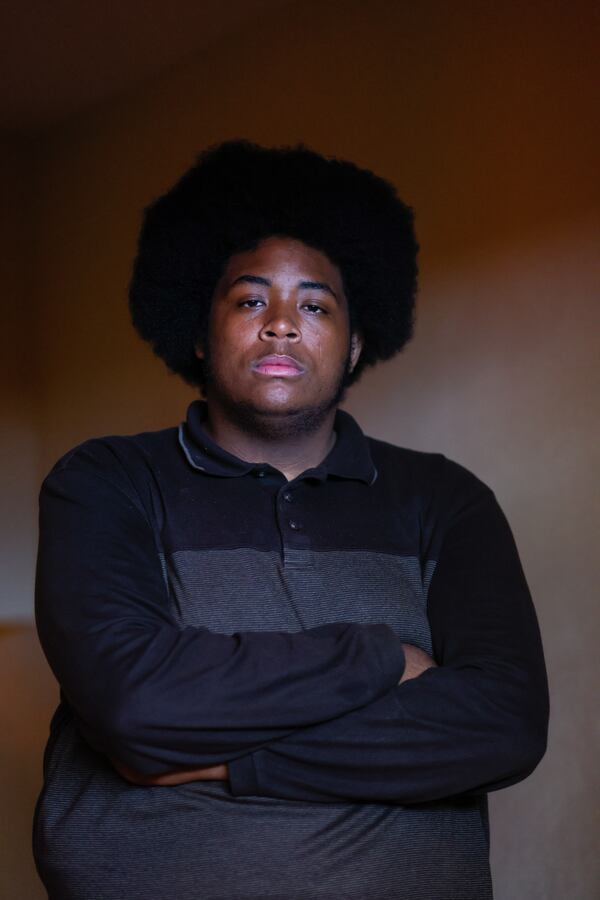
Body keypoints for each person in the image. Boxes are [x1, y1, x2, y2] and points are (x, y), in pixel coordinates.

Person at [34, 140, 548, 900]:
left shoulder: (445, 500)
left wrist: (223, 760)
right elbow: (135, 706)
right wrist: (382, 661)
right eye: (249, 300)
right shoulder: (106, 482)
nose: (281, 324)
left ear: (356, 342)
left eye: (315, 305)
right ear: (202, 335)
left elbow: (502, 725)